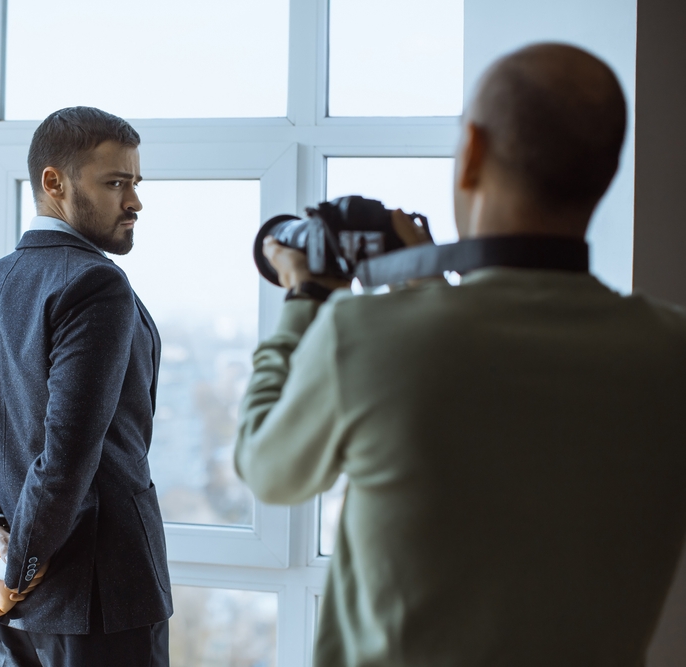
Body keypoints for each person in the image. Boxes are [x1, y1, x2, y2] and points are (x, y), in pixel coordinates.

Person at [235, 43, 686, 666]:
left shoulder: (361, 337)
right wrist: (424, 284)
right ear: (605, 172)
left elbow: (268, 469)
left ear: (472, 151)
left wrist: (303, 296)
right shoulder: (671, 350)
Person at [0, 106, 172, 667]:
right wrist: (14, 571)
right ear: (54, 182)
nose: (134, 202)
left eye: (135, 183)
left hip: (0, 607)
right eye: (116, 183)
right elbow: (65, 459)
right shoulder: (96, 283)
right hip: (99, 603)